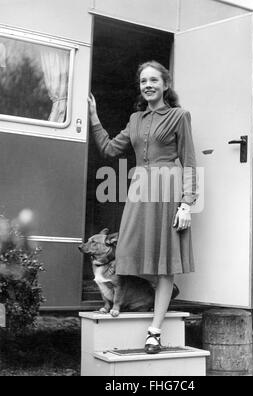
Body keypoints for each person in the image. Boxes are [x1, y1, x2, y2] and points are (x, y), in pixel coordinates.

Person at [88, 60, 198, 354]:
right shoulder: (135, 119)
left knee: (165, 261)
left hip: (167, 189)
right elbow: (110, 148)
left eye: (154, 80)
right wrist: (94, 117)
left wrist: (187, 203)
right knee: (126, 251)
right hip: (139, 189)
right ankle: (142, 298)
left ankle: (155, 331)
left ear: (165, 84)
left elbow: (188, 160)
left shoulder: (179, 116)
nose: (148, 85)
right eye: (143, 81)